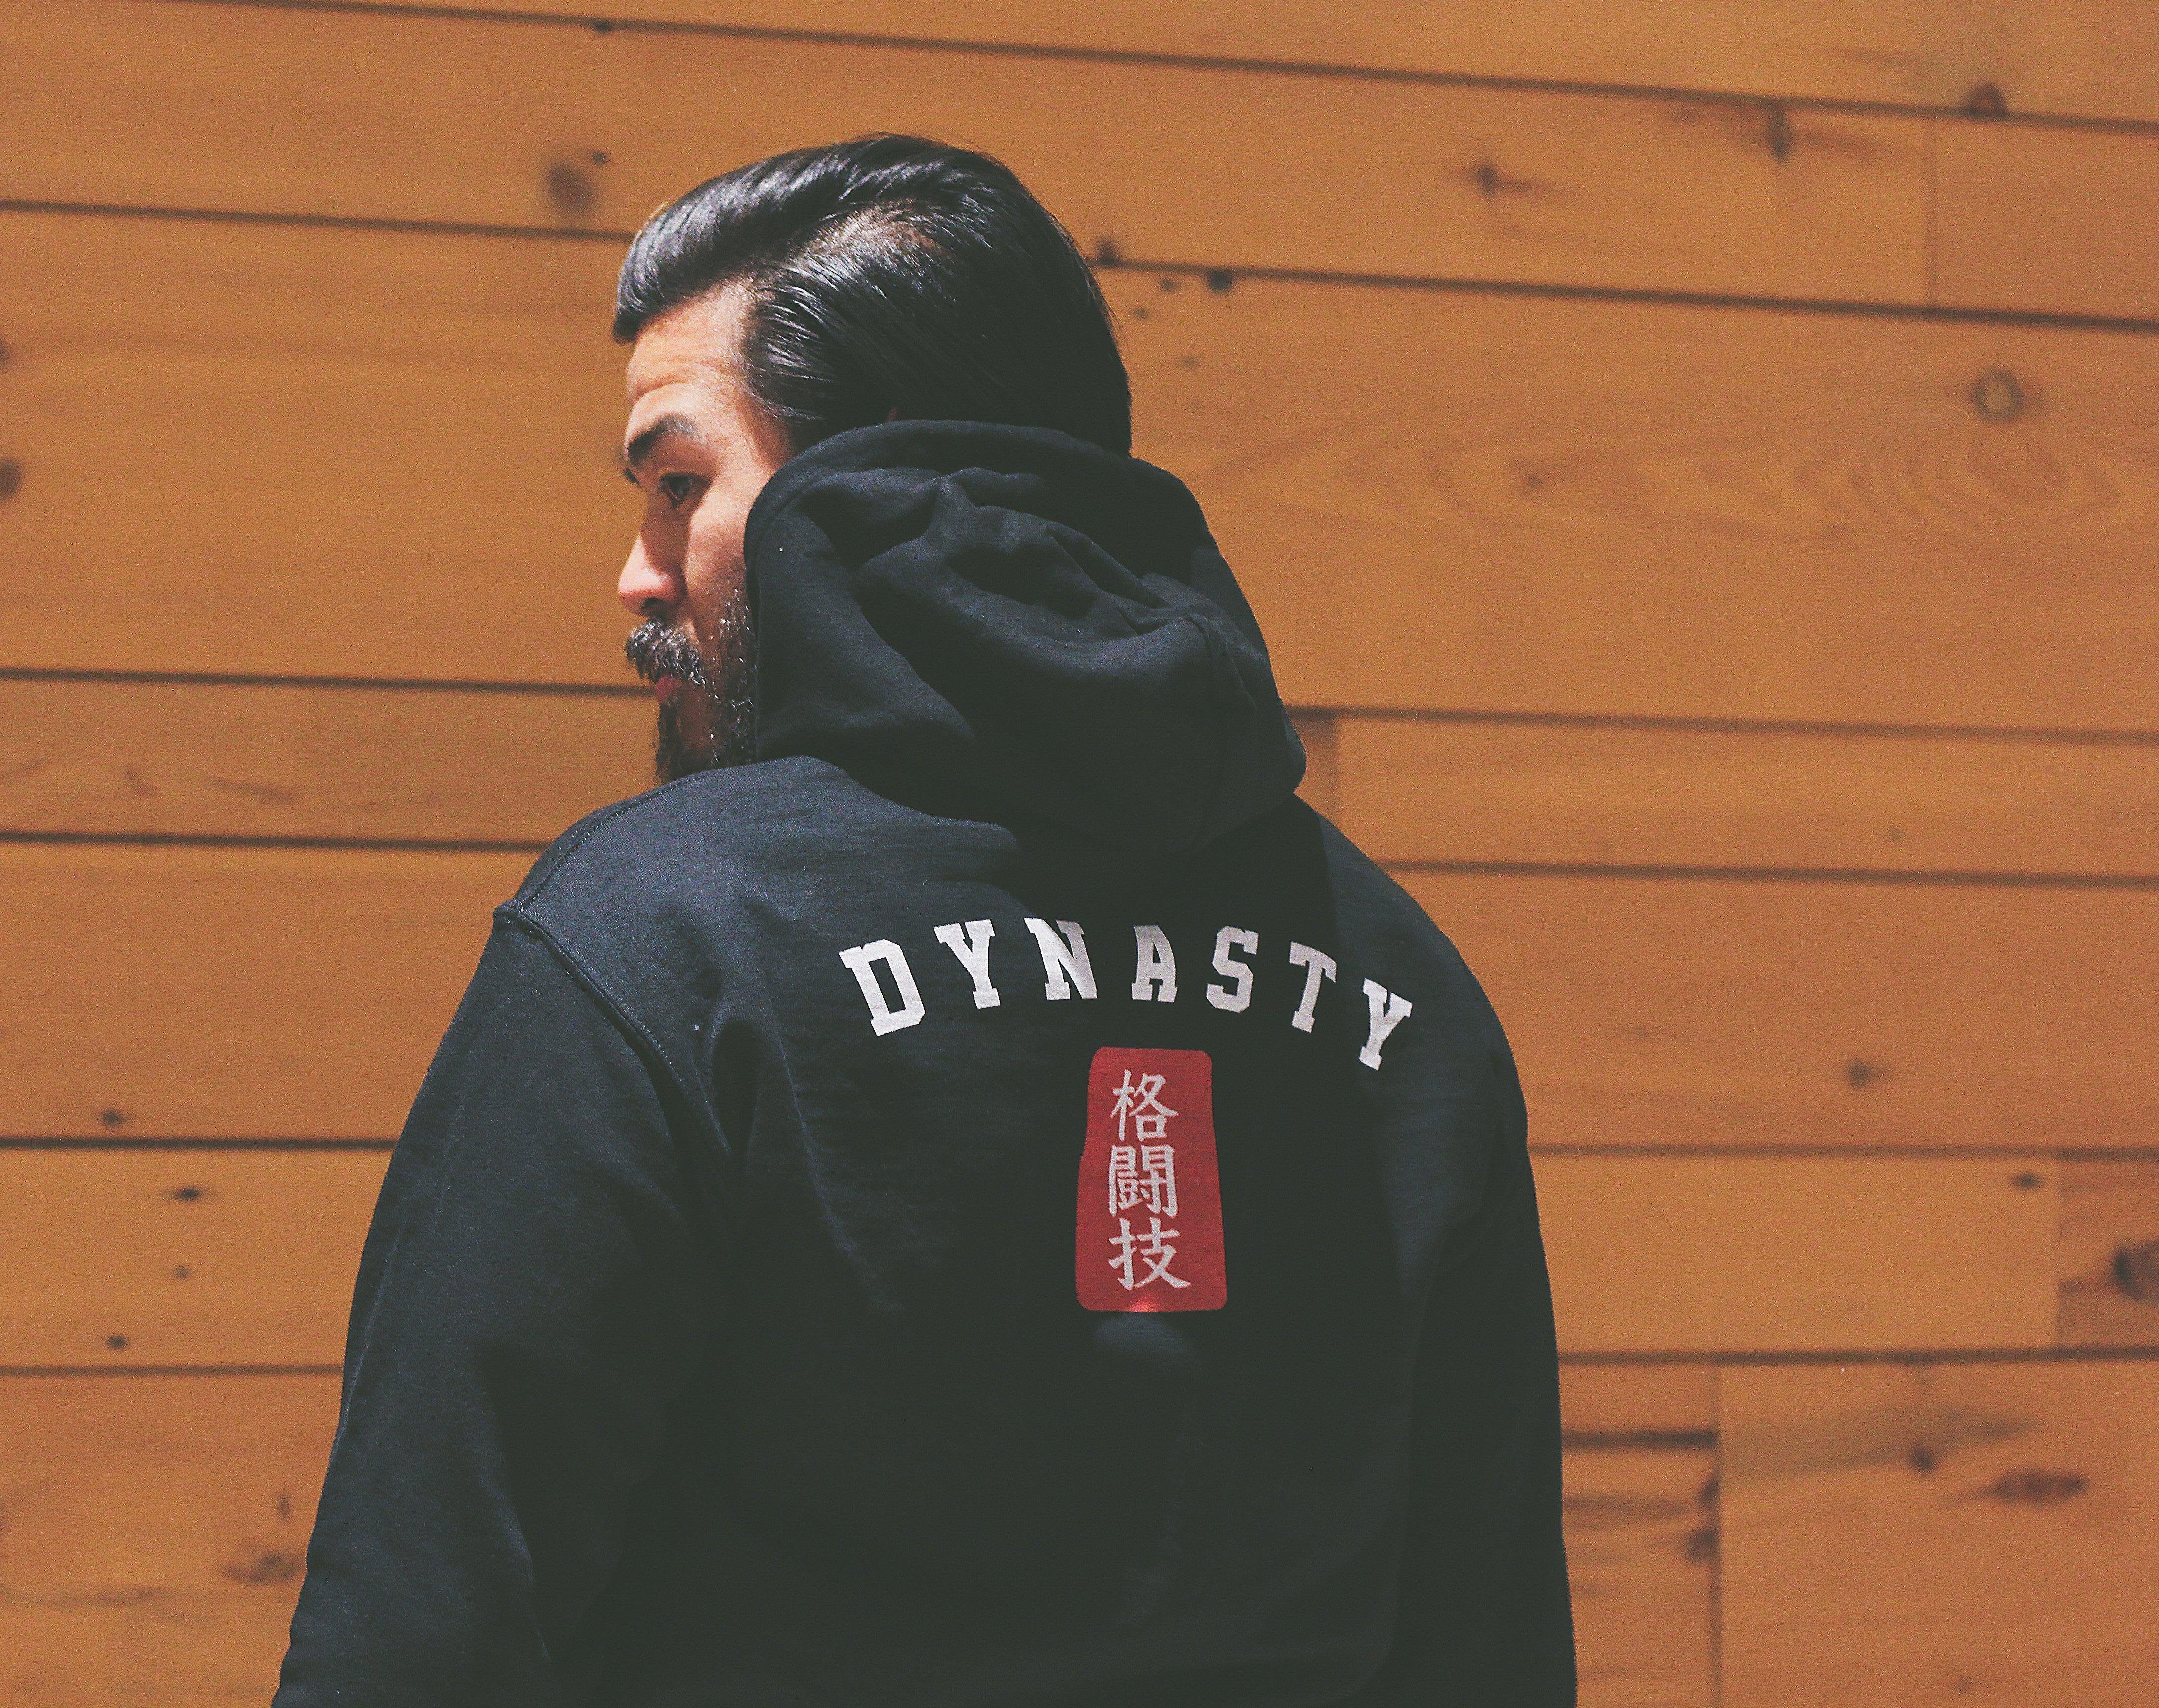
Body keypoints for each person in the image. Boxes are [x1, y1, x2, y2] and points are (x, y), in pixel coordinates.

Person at [270, 135, 1574, 1707]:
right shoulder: (1401, 986)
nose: (637, 576)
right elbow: (1493, 1651)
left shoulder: (654, 939)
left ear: (880, 479)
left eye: (680, 486)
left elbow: (418, 1646)